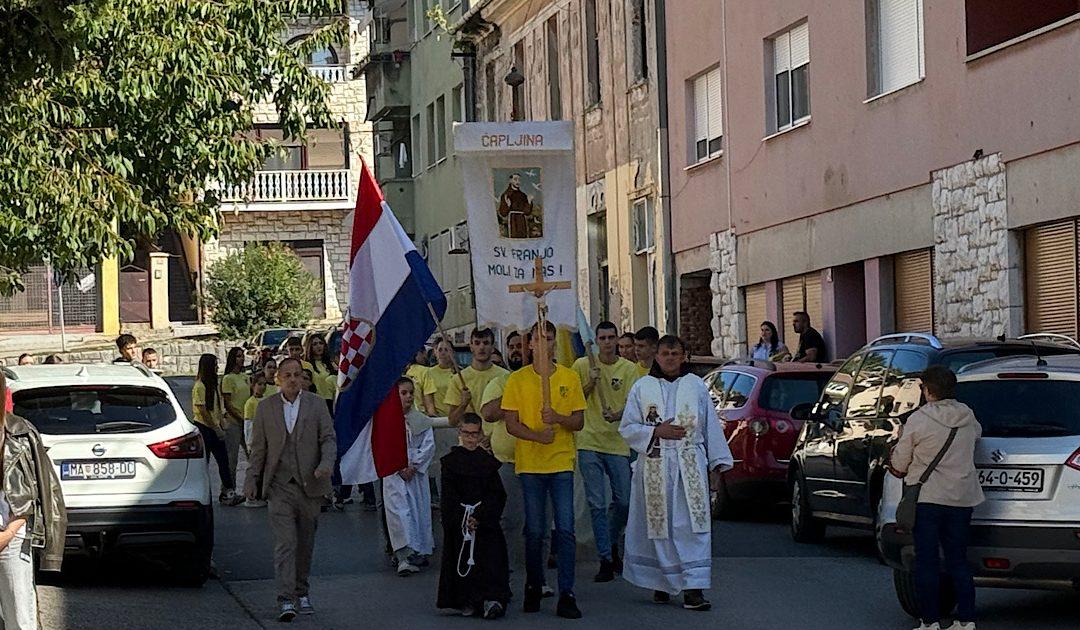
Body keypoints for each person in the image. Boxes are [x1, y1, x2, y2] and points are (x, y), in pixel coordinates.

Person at [619, 335, 734, 611]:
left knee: (691, 526)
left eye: (675, 353)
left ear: (683, 356)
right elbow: (627, 427)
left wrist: (717, 464)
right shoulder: (642, 386)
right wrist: (656, 431)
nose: (670, 358)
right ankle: (661, 581)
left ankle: (693, 588)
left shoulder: (695, 385)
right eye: (665, 353)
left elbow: (710, 426)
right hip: (655, 465)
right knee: (658, 527)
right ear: (656, 356)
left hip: (690, 464)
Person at [501, 321, 586, 619]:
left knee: (565, 529)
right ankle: (534, 585)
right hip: (531, 464)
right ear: (531, 344)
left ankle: (567, 592)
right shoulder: (518, 380)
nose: (544, 342)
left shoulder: (569, 377)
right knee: (535, 530)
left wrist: (558, 418)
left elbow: (578, 421)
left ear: (553, 343)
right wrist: (538, 436)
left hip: (561, 461)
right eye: (538, 337)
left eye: (549, 337)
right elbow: (511, 423)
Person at [889, 366, 983, 630]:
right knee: (958, 560)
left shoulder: (918, 420)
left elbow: (900, 462)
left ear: (928, 390)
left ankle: (929, 621)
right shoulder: (968, 415)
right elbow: (977, 436)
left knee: (927, 561)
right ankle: (967, 621)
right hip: (962, 499)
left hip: (928, 499)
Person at [244, 357, 337, 622]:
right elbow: (258, 449)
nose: (293, 379)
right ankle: (286, 599)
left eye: (297, 374)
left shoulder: (317, 405)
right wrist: (252, 479)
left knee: (305, 542)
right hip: (279, 486)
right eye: (287, 375)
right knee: (286, 543)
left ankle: (302, 591)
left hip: (310, 484)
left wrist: (326, 463)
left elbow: (328, 439)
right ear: (278, 379)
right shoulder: (265, 408)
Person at [572, 321, 641, 582]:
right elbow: (571, 398)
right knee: (597, 503)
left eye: (612, 337)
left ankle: (611, 542)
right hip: (589, 441)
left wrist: (618, 414)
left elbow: (633, 402)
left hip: (617, 442)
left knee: (623, 500)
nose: (608, 342)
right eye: (603, 338)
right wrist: (590, 384)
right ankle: (605, 558)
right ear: (596, 341)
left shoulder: (628, 369)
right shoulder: (582, 365)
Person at [0, 370, 66, 630]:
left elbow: (40, 488)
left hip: (13, 534)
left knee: (20, 618)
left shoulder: (20, 432)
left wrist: (8, 533)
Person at [436, 413, 512, 619]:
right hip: (461, 522)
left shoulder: (487, 463)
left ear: (480, 435)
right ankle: (465, 600)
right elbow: (449, 496)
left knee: (490, 557)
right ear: (459, 433)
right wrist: (462, 518)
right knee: (462, 558)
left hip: (483, 522)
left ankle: (491, 598)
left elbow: (496, 494)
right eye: (466, 434)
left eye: (474, 434)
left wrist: (479, 516)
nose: (470, 439)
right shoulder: (450, 462)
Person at [384, 378, 436, 576]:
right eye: (403, 393)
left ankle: (419, 550)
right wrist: (399, 465)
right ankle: (403, 555)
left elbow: (428, 444)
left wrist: (414, 465)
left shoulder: (420, 419)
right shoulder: (386, 420)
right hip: (395, 475)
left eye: (410, 393)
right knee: (399, 514)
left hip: (415, 474)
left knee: (418, 511)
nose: (408, 397)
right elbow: (383, 446)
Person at [192, 354, 243, 506]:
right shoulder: (200, 386)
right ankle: (199, 493)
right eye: (214, 365)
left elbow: (216, 407)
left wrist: (222, 422)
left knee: (224, 461)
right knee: (203, 463)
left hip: (215, 426)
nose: (216, 368)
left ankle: (228, 492)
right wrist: (215, 427)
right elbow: (202, 410)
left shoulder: (213, 385)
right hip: (204, 427)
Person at [446, 328, 509, 428]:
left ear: (493, 347)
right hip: (471, 437)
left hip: (496, 438)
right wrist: (463, 404)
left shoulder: (505, 376)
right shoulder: (458, 379)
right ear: (471, 346)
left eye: (486, 343)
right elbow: (452, 421)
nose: (481, 347)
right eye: (477, 343)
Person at [221, 347, 251, 485]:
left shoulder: (245, 377)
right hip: (234, 421)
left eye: (242, 356)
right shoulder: (228, 378)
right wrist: (239, 417)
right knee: (232, 458)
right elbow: (227, 402)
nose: (242, 358)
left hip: (247, 419)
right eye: (238, 356)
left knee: (252, 454)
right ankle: (229, 487)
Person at [421, 338, 458, 417]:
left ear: (452, 353)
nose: (443, 353)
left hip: (458, 419)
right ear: (435, 352)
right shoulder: (429, 373)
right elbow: (429, 399)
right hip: (440, 421)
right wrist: (435, 418)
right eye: (440, 350)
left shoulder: (460, 373)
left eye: (446, 350)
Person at [304, 335, 337, 414]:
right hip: (317, 403)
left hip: (333, 402)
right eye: (315, 344)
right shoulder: (307, 365)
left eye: (320, 343)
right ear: (310, 347)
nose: (318, 346)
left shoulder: (331, 364)